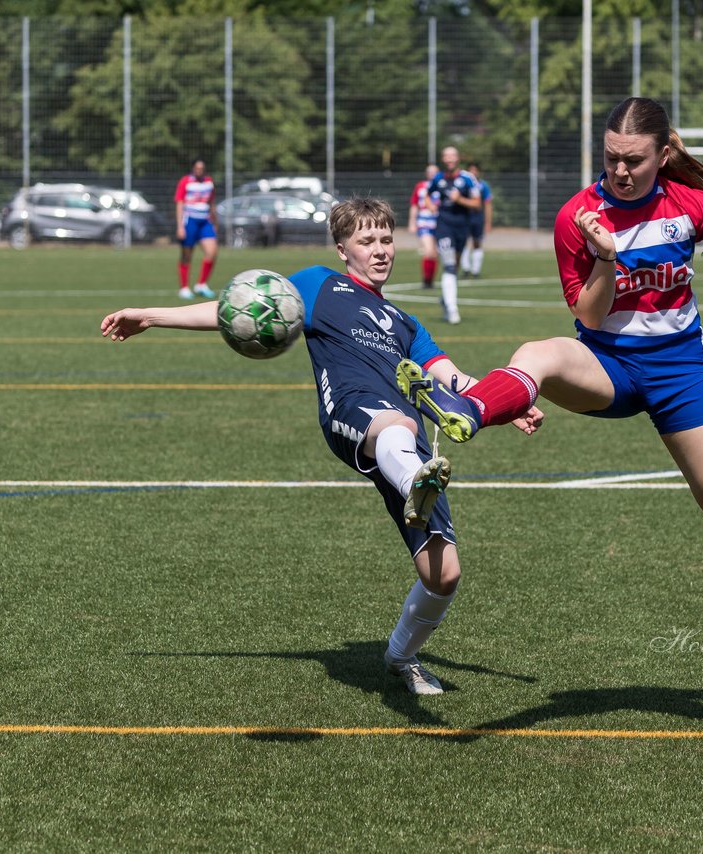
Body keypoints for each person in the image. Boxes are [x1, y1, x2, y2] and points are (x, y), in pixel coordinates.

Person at [396, 96, 703, 662]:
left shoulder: (689, 205)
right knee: (540, 352)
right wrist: (605, 256)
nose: (621, 171)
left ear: (664, 153)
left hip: (680, 371)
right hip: (607, 364)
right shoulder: (576, 216)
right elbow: (590, 318)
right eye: (611, 158)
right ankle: (468, 411)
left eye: (634, 160)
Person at [100, 198, 542, 695]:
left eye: (386, 240)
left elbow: (454, 377)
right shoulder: (318, 285)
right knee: (394, 419)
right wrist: (153, 316)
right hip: (351, 414)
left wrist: (507, 402)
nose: (380, 251)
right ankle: (416, 480)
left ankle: (401, 657)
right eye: (366, 241)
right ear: (342, 249)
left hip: (407, 448)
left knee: (444, 576)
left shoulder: (406, 324)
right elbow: (239, 305)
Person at [428, 146, 482, 324]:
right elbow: (428, 195)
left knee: (455, 266)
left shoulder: (467, 179)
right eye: (446, 156)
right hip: (443, 226)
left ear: (458, 159)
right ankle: (452, 309)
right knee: (449, 265)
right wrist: (431, 205)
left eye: (453, 156)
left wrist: (460, 200)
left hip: (462, 227)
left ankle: (445, 299)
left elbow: (477, 203)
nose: (449, 159)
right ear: (443, 159)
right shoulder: (438, 178)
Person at [174, 157, 220, 299]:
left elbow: (211, 202)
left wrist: (214, 220)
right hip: (190, 221)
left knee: (212, 252)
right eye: (197, 168)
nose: (199, 170)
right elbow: (180, 204)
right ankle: (184, 287)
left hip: (205, 222)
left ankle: (201, 284)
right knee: (187, 255)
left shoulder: (209, 182)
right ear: (193, 168)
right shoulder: (186, 182)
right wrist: (180, 226)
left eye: (202, 168)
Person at [408, 164, 440, 289]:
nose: (432, 174)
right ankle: (426, 281)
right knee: (428, 251)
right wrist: (412, 222)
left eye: (435, 172)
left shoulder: (442, 186)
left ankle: (430, 281)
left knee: (434, 254)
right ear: (426, 174)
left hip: (439, 223)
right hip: (424, 223)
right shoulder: (420, 186)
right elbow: (414, 205)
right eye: (430, 172)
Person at [465, 162, 493, 278]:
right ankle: (466, 268)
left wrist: (488, 222)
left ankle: (475, 270)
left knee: (477, 243)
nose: (473, 173)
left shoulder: (483, 186)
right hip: (465, 218)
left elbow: (488, 204)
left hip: (477, 218)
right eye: (470, 171)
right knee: (464, 243)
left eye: (475, 170)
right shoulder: (463, 184)